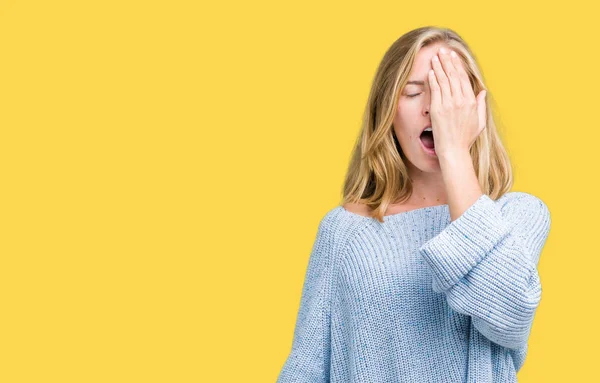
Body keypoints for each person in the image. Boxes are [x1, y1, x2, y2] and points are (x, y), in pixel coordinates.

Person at [276, 26, 551, 383]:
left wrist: (453, 151)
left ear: (474, 109)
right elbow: (306, 369)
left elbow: (509, 312)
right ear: (387, 111)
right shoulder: (343, 232)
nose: (434, 109)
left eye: (448, 93)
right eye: (413, 92)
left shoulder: (516, 215)